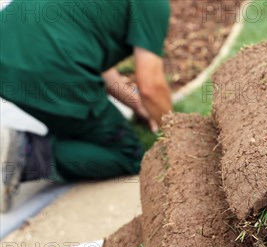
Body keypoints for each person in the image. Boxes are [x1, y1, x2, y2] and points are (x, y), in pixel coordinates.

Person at [0, 0, 172, 212]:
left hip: (9, 45)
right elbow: (151, 86)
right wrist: (175, 134)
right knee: (126, 154)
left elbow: (90, 51)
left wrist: (136, 104)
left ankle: (56, 135)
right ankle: (25, 151)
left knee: (76, 124)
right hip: (48, 67)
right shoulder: (153, 5)